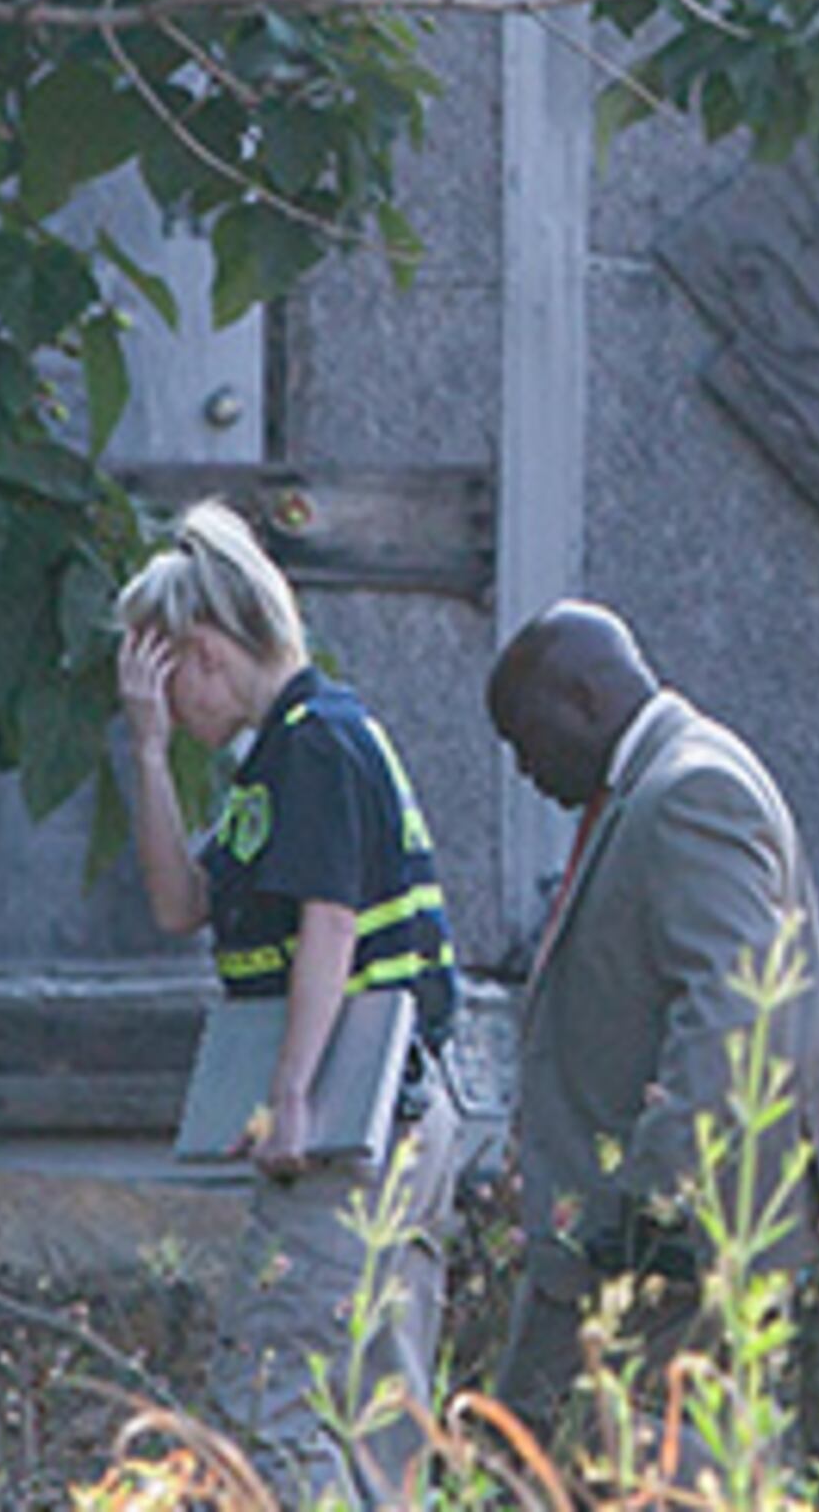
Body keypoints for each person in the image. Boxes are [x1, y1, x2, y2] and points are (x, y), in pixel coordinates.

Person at [109, 501, 472, 1506]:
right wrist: (149, 752)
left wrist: (292, 1097)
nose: (162, 703)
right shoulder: (283, 756)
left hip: (352, 1116)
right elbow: (180, 902)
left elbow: (331, 922)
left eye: (160, 678)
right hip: (396, 1109)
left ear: (206, 651)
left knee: (274, 1391)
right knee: (380, 1415)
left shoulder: (315, 744)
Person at [482, 600, 819, 1435]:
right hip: (626, 1234)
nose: (525, 767)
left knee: (589, 1462)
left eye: (525, 736)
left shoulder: (692, 790)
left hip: (676, 1240)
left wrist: (657, 1197)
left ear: (584, 698)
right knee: (533, 1453)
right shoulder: (661, 782)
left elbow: (733, 1009)